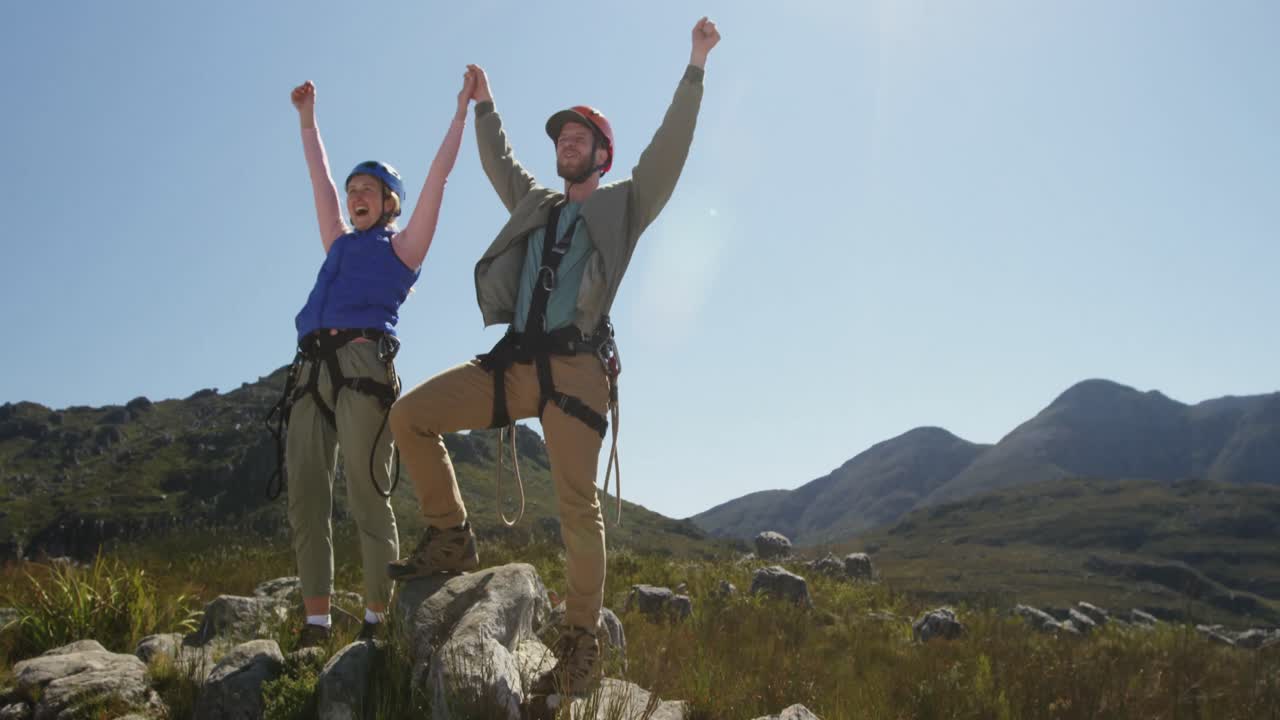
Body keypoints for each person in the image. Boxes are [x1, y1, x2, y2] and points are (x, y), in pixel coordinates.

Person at [386, 18, 721, 693]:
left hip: (576, 371)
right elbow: (500, 163)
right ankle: (449, 532)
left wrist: (694, 66)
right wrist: (484, 104)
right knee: (410, 416)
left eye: (579, 138)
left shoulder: (625, 205)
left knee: (576, 504)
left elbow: (668, 152)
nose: (566, 145)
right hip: (513, 364)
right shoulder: (536, 202)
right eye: (562, 139)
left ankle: (582, 638)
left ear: (602, 153)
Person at [280, 69, 473, 649]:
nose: (354, 195)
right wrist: (308, 122)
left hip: (364, 369)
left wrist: (462, 110)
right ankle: (315, 625)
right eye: (352, 190)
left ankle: (374, 624)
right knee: (306, 498)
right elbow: (318, 181)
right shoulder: (338, 241)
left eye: (368, 189)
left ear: (389, 203)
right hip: (310, 369)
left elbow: (439, 176)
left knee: (367, 495)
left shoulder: (403, 249)